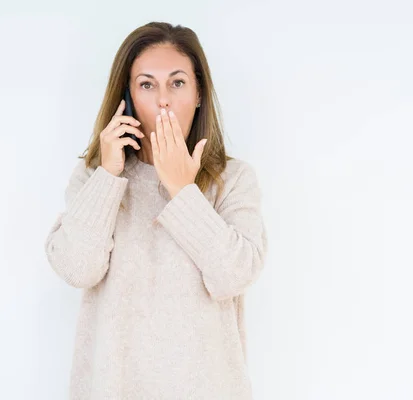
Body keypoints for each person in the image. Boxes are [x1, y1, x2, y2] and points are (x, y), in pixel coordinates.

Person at [44, 21, 268, 399]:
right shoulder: (93, 178)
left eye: (177, 83)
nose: (163, 99)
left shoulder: (233, 179)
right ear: (127, 97)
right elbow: (77, 268)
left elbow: (233, 275)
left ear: (199, 94)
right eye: (146, 84)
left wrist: (182, 190)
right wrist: (108, 175)